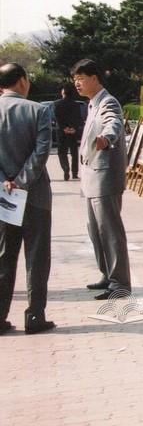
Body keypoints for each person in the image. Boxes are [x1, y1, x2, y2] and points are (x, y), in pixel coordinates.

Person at [0, 63, 55, 335]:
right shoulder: (39, 110)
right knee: (37, 257)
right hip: (35, 196)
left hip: (3, 198)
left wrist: (6, 182)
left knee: (4, 257)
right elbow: (42, 152)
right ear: (22, 81)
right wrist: (21, 181)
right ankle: (34, 316)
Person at [73, 59, 131, 300]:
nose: (77, 84)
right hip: (92, 178)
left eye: (81, 78)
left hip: (104, 177)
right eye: (75, 79)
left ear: (95, 78)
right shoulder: (92, 104)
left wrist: (107, 138)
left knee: (109, 231)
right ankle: (107, 274)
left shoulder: (108, 102)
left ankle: (120, 283)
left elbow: (113, 122)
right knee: (95, 231)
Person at [53, 83, 84, 181]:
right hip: (73, 131)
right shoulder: (76, 104)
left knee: (62, 152)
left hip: (61, 131)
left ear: (63, 93)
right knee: (74, 152)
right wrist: (74, 128)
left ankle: (66, 169)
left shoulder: (57, 104)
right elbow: (78, 118)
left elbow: (57, 117)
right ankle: (75, 173)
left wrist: (64, 128)